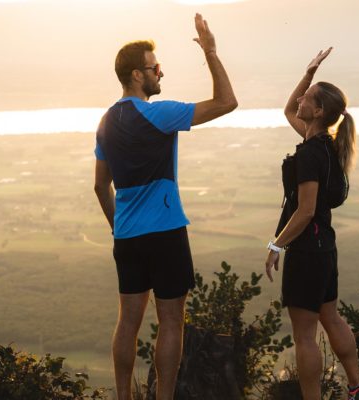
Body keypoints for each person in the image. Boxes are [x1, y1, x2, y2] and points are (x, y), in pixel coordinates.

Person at [94, 13, 237, 400]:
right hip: (166, 231)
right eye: (155, 68)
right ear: (138, 76)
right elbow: (227, 101)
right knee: (171, 321)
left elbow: (98, 186)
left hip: (127, 236)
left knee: (128, 321)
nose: (161, 73)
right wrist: (210, 52)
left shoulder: (105, 122)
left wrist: (118, 226)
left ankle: (124, 396)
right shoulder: (159, 114)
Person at [264, 48, 359, 400]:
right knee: (332, 318)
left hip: (307, 251)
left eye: (307, 99)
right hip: (326, 247)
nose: (299, 101)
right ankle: (357, 388)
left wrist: (277, 244)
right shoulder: (325, 145)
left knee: (305, 336)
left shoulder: (310, 154)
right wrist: (308, 73)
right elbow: (287, 109)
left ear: (320, 111)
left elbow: (305, 210)